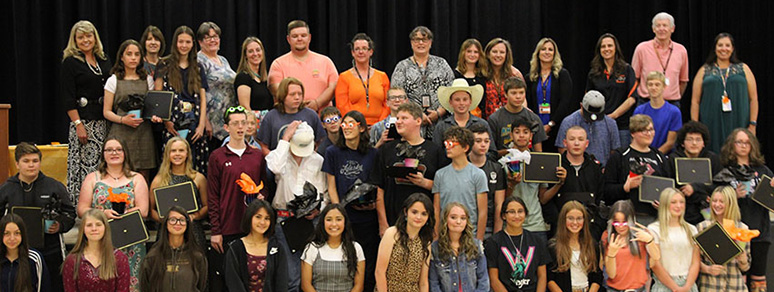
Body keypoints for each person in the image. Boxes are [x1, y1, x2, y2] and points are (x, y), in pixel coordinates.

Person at [0, 142, 75, 292]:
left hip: (50, 251)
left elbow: (70, 214)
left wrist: (60, 225)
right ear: (17, 163)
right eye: (26, 161)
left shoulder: (54, 186)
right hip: (15, 252)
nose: (31, 165)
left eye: (35, 161)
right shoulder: (6, 189)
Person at [76, 137, 149, 292]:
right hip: (100, 241)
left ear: (125, 153)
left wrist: (125, 214)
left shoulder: (136, 178)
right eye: (109, 150)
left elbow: (143, 210)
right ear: (103, 154)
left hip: (131, 241)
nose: (114, 153)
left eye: (118, 149)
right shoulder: (93, 178)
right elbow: (82, 209)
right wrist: (102, 214)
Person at [207, 105, 267, 290]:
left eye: (244, 123)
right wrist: (216, 230)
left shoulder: (257, 156)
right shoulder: (217, 156)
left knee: (252, 277)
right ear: (227, 127)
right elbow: (213, 195)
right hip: (228, 227)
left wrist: (262, 196)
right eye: (236, 123)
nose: (241, 127)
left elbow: (265, 186)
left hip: (252, 227)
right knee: (229, 279)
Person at [369, 102, 446, 236]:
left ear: (418, 121)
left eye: (404, 118)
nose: (399, 122)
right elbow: (379, 189)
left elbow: (444, 189)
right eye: (397, 118)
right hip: (393, 222)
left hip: (424, 224)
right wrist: (382, 223)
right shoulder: (387, 149)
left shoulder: (435, 151)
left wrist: (425, 183)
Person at [322, 110, 379, 291]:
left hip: (368, 218)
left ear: (361, 127)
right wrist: (338, 211)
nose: (345, 128)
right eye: (344, 124)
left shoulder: (373, 153)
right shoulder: (333, 152)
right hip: (344, 218)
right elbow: (331, 184)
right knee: (346, 261)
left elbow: (377, 184)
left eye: (350, 124)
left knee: (368, 263)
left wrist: (373, 204)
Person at [62, 20, 112, 203]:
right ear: (74, 40)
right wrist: (78, 125)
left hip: (105, 120)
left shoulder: (104, 59)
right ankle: (84, 206)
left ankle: (104, 204)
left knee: (104, 164)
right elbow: (68, 98)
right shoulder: (70, 62)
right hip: (84, 122)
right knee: (86, 167)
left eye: (89, 36)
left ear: (95, 37)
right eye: (81, 37)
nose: (85, 40)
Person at [716, 128, 771, 291]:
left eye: (747, 142)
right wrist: (733, 196)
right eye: (739, 142)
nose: (743, 146)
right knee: (738, 277)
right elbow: (714, 202)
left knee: (758, 279)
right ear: (732, 145)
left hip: (759, 231)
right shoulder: (725, 171)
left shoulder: (763, 171)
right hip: (733, 233)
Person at [690, 32, 759, 152]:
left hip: (739, 118)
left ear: (732, 49)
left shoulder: (744, 69)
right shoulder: (704, 70)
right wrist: (695, 127)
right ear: (715, 48)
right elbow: (695, 101)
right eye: (720, 45)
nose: (724, 49)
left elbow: (753, 99)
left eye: (727, 45)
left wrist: (752, 124)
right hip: (711, 121)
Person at [155, 26, 210, 174]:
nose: (184, 45)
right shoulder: (164, 64)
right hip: (172, 121)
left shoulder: (198, 67)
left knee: (194, 163)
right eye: (181, 42)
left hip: (194, 120)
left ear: (193, 44)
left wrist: (201, 126)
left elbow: (203, 98)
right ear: (175, 43)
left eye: (187, 42)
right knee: (172, 161)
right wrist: (166, 122)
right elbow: (158, 95)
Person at [102, 39, 158, 180]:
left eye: (137, 54)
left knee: (144, 174)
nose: (133, 58)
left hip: (143, 132)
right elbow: (106, 111)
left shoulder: (147, 80)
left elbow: (152, 108)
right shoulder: (113, 80)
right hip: (121, 132)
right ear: (122, 57)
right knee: (121, 173)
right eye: (129, 54)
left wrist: (154, 117)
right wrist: (123, 120)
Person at [503, 116, 562, 239]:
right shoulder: (503, 162)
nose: (521, 136)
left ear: (531, 136)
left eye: (525, 132)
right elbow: (501, 201)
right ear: (511, 135)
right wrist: (511, 185)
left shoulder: (539, 161)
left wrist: (559, 183)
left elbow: (543, 199)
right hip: (511, 224)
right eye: (517, 132)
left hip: (536, 224)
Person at [391, 26, 455, 138]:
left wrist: (439, 112)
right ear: (411, 43)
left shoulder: (442, 64)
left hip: (440, 122)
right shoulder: (402, 67)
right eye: (416, 40)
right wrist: (417, 114)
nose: (420, 43)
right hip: (411, 123)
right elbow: (397, 95)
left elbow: (452, 91)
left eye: (424, 40)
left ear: (430, 43)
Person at [604, 114, 669, 224]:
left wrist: (664, 202)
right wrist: (625, 187)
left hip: (655, 216)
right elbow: (606, 191)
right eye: (643, 130)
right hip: (627, 217)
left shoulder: (659, 157)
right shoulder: (620, 156)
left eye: (651, 130)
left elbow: (670, 186)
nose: (648, 134)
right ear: (633, 133)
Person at [149, 137, 208, 249]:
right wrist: (165, 220)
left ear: (187, 154)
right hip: (167, 232)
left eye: (181, 150)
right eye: (173, 151)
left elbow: (206, 206)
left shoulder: (198, 178)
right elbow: (151, 210)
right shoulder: (159, 180)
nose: (177, 154)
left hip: (192, 230)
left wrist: (195, 216)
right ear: (167, 154)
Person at [545, 126, 604, 238]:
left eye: (580, 139)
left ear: (586, 143)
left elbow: (600, 199)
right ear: (565, 143)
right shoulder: (554, 166)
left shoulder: (595, 168)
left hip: (589, 230)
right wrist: (558, 222)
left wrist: (595, 228)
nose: (576, 143)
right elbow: (546, 200)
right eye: (572, 139)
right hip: (560, 231)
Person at [268, 20, 338, 111]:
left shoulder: (326, 62)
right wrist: (299, 106)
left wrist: (317, 103)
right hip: (289, 120)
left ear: (309, 38)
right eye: (295, 36)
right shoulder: (278, 64)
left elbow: (333, 87)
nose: (299, 39)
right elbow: (276, 90)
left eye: (303, 35)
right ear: (288, 39)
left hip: (322, 120)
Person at [432, 126, 488, 239]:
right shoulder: (440, 175)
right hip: (445, 236)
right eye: (446, 143)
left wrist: (479, 240)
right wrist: (436, 237)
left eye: (452, 144)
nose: (448, 147)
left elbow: (482, 211)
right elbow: (436, 209)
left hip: (469, 235)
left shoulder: (478, 174)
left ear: (465, 147)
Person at [485, 196, 550, 292]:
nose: (516, 216)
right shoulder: (494, 242)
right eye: (511, 212)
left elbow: (542, 276)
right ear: (503, 215)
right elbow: (494, 279)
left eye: (520, 211)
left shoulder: (537, 241)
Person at [664, 121, 722, 225]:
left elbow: (720, 185)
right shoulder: (673, 159)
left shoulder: (712, 159)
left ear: (704, 143)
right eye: (690, 140)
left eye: (698, 140)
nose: (694, 143)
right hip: (681, 212)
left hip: (708, 212)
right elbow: (669, 187)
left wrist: (695, 187)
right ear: (682, 143)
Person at [224, 200, 288, 292]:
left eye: (267, 218)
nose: (262, 222)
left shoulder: (277, 248)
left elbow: (282, 283)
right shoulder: (235, 248)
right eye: (258, 217)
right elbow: (233, 283)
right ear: (249, 217)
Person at [586, 33, 638, 147]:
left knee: (621, 160)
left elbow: (632, 99)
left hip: (621, 127)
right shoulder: (593, 73)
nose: (606, 49)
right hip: (599, 125)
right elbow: (587, 99)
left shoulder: (627, 69)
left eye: (610, 46)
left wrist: (613, 116)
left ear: (616, 48)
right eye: (603, 46)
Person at [375, 193, 435, 292]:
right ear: (406, 212)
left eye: (424, 213)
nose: (418, 217)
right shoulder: (392, 233)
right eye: (414, 212)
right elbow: (379, 272)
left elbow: (423, 282)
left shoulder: (426, 242)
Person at [140, 206, 207, 292]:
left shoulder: (197, 256)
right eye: (173, 219)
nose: (178, 223)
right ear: (166, 223)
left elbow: (201, 286)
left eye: (182, 220)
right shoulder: (152, 256)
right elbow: (145, 287)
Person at [697, 186, 751, 292]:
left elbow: (746, 268)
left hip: (735, 287)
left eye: (722, 201)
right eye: (714, 201)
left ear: (731, 203)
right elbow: (694, 261)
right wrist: (708, 269)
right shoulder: (703, 227)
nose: (717, 205)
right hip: (710, 286)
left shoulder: (742, 229)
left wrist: (743, 260)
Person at [301, 204, 366, 292]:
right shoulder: (312, 248)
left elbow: (359, 286)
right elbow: (306, 285)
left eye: (339, 219)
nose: (334, 224)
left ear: (345, 222)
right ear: (322, 222)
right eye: (329, 220)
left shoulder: (356, 248)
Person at [63, 209, 130, 292]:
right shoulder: (72, 260)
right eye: (89, 225)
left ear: (106, 227)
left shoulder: (120, 258)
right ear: (83, 229)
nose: (94, 229)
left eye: (98, 224)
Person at [527, 38, 574, 153]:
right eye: (543, 49)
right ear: (538, 53)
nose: (547, 52)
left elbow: (565, 102)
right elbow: (529, 103)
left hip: (558, 127)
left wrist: (550, 124)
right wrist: (538, 127)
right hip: (536, 129)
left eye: (550, 50)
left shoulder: (562, 75)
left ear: (555, 54)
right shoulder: (531, 77)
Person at [647, 188, 700, 292]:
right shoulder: (654, 229)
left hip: (688, 285)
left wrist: (687, 286)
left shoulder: (692, 229)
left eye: (681, 202)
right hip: (664, 285)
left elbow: (695, 262)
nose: (678, 206)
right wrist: (675, 288)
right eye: (673, 202)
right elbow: (655, 264)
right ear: (665, 204)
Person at [631, 12, 690, 107]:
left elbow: (683, 81)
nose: (661, 29)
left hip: (672, 103)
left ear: (672, 29)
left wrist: (672, 95)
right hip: (646, 102)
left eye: (665, 25)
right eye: (658, 26)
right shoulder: (642, 49)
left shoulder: (681, 50)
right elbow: (634, 78)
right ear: (653, 29)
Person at [600, 200, 660, 292]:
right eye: (616, 223)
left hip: (639, 289)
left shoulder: (641, 235)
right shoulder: (607, 237)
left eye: (624, 222)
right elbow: (611, 274)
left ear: (632, 220)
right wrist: (611, 255)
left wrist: (650, 241)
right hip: (614, 289)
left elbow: (655, 259)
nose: (620, 226)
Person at [257, 77, 326, 156]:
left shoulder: (311, 115)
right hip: (279, 164)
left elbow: (320, 141)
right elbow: (263, 146)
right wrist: (275, 161)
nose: (297, 97)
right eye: (292, 94)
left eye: (300, 94)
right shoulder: (271, 117)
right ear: (283, 96)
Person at [429, 203, 489, 291]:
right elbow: (434, 284)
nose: (458, 222)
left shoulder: (476, 246)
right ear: (445, 219)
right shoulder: (435, 248)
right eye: (453, 217)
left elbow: (483, 281)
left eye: (463, 218)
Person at [335, 33, 391, 125]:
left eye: (364, 48)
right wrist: (358, 125)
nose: (361, 52)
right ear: (353, 53)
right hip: (354, 127)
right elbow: (342, 106)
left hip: (380, 126)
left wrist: (379, 124)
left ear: (371, 52)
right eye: (357, 49)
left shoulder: (382, 76)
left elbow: (388, 104)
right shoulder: (344, 77)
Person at [546, 201, 602, 292]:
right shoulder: (553, 246)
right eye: (570, 218)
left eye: (579, 218)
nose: (575, 222)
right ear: (563, 220)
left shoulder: (592, 245)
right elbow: (550, 279)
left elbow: (597, 276)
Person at [554, 90, 620, 165]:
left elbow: (614, 150)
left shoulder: (610, 124)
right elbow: (562, 148)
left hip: (603, 169)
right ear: (581, 106)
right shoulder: (569, 122)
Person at [197, 22, 237, 148]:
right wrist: (205, 121)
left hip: (227, 119)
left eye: (215, 37)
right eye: (208, 38)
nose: (213, 40)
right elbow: (197, 93)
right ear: (200, 42)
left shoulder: (223, 60)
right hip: (211, 122)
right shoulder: (199, 60)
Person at [487, 76, 547, 154]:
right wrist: (512, 152)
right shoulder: (495, 119)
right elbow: (492, 152)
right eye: (513, 93)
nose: (518, 97)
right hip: (501, 163)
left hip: (529, 163)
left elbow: (539, 152)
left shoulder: (534, 118)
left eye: (521, 92)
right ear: (505, 94)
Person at [467, 124, 506, 237]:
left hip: (488, 224)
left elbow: (499, 204)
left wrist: (497, 235)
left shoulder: (496, 168)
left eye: (486, 141)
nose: (483, 144)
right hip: (464, 223)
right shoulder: (462, 166)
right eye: (478, 141)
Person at [432, 78, 493, 150]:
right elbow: (437, 153)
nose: (461, 103)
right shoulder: (441, 127)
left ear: (470, 101)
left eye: (465, 99)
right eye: (457, 100)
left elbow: (491, 151)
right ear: (450, 102)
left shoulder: (482, 124)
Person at [633, 71, 682, 154]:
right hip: (642, 155)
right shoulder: (639, 110)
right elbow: (636, 137)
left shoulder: (674, 112)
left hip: (665, 157)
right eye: (650, 84)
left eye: (657, 85)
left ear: (664, 87)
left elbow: (670, 142)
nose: (653, 88)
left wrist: (654, 156)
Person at [0, 214, 51, 292]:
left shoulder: (34, 259)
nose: (12, 238)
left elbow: (43, 288)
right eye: (7, 233)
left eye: (17, 233)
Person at [482, 38, 525, 119]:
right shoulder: (481, 74)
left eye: (502, 52)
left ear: (506, 55)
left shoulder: (514, 74)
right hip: (487, 123)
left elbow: (523, 99)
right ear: (488, 54)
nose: (498, 55)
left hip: (511, 122)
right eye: (494, 52)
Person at [234, 36, 273, 113]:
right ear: (245, 55)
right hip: (253, 122)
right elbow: (245, 107)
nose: (255, 54)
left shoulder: (264, 79)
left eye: (258, 50)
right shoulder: (243, 77)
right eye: (251, 51)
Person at [454, 38, 487, 117]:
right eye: (469, 51)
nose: (472, 55)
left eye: (476, 52)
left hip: (480, 119)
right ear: (463, 53)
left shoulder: (483, 75)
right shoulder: (455, 75)